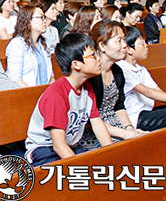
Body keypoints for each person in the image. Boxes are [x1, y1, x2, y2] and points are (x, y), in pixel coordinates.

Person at [25, 33, 113, 167]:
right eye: (93, 55)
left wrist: (112, 154)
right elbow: (58, 145)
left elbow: (97, 124)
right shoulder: (57, 94)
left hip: (71, 145)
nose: (98, 58)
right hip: (45, 149)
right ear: (76, 64)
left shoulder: (87, 88)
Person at [78, 20, 146, 151]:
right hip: (94, 131)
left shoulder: (117, 71)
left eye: (124, 40)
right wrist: (125, 134)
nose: (125, 45)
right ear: (102, 46)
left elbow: (119, 105)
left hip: (116, 126)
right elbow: (89, 120)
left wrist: (129, 128)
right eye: (119, 41)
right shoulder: (91, 76)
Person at [117, 26, 166, 131]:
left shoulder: (141, 69)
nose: (146, 46)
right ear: (129, 49)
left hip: (147, 112)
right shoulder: (122, 69)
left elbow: (157, 91)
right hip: (135, 118)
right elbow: (149, 92)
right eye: (142, 43)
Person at [6, 5, 54, 87]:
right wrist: (33, 94)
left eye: (44, 17)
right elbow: (15, 78)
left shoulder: (44, 42)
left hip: (46, 93)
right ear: (28, 20)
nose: (44, 21)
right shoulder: (17, 44)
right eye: (41, 17)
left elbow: (51, 76)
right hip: (27, 93)